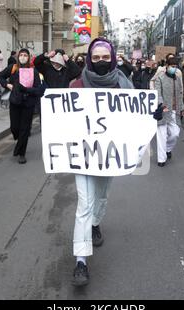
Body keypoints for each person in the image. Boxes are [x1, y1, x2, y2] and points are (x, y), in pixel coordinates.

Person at [69, 38, 134, 287]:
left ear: (113, 58)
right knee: (84, 204)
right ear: (89, 59)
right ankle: (81, 261)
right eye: (95, 58)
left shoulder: (123, 84)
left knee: (102, 196)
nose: (100, 62)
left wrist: (153, 114)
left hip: (109, 155)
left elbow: (136, 115)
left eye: (105, 58)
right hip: (83, 156)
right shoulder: (76, 85)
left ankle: (96, 224)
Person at [0, 48, 45, 164]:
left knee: (25, 129)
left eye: (25, 55)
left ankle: (21, 153)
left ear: (29, 57)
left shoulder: (34, 71)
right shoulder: (13, 68)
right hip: (15, 102)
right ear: (18, 57)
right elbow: (0, 76)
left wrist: (28, 90)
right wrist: (7, 85)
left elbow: (39, 90)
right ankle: (19, 142)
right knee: (15, 128)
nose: (23, 57)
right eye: (21, 55)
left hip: (28, 103)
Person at [154, 57, 184, 167]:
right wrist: (162, 105)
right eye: (172, 66)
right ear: (167, 66)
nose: (174, 69)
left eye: (176, 67)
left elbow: (180, 94)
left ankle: (168, 149)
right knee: (161, 136)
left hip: (174, 111)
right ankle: (161, 159)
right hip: (163, 111)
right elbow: (157, 93)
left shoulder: (177, 79)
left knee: (175, 134)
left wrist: (182, 108)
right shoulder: (160, 78)